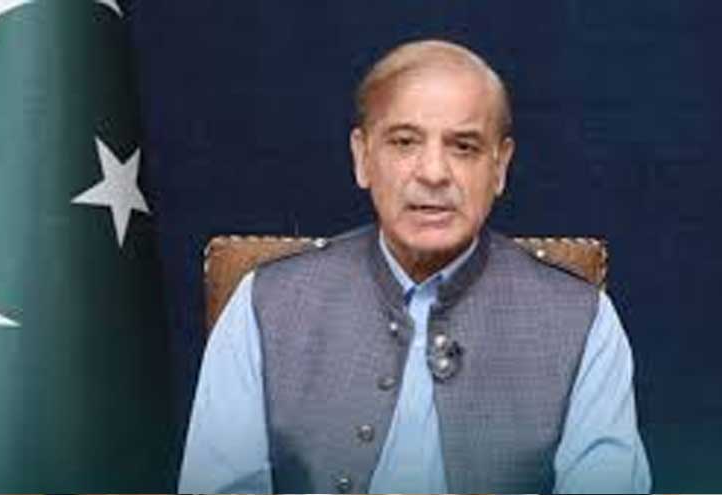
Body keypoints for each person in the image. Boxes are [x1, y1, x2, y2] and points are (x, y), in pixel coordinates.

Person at [179, 39, 651, 494]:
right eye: (404, 142)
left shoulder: (584, 320)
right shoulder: (264, 304)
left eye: (463, 147)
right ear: (363, 158)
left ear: (499, 167)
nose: (433, 173)